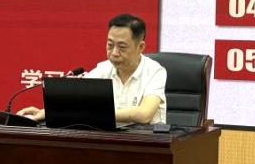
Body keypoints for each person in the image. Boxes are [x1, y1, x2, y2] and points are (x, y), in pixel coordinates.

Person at [17, 13, 167, 125]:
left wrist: (94, 114)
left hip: (147, 142)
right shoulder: (103, 69)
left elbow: (144, 115)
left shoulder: (155, 71)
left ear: (140, 47)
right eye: (110, 45)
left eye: (122, 47)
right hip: (111, 140)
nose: (114, 53)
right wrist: (46, 112)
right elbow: (75, 102)